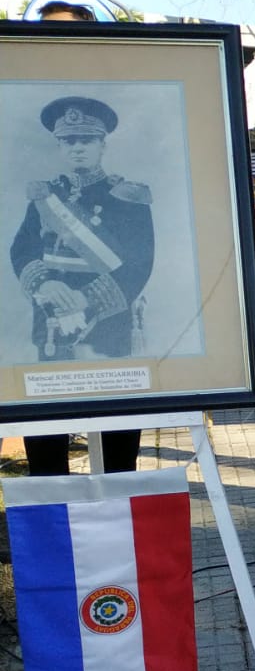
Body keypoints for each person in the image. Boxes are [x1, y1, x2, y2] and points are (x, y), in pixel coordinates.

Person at [8, 92, 150, 475]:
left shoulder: (128, 197)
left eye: (85, 140)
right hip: (51, 322)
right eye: (68, 141)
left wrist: (84, 300)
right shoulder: (44, 195)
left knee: (117, 450)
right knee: (46, 444)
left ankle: (117, 519)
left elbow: (140, 264)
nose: (77, 149)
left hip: (105, 324)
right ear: (59, 146)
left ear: (102, 145)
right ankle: (55, 521)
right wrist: (44, 284)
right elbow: (22, 250)